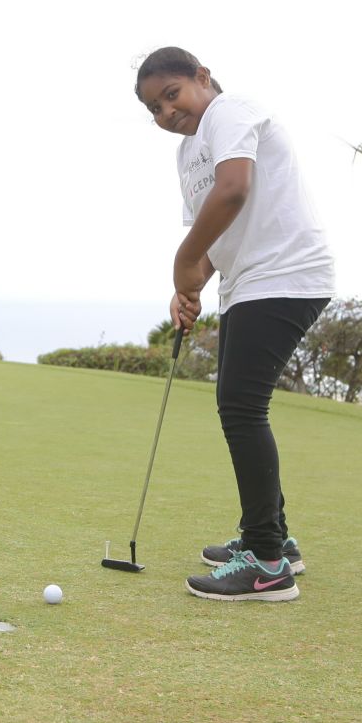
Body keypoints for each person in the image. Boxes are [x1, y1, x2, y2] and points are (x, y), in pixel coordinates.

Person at [134, 47, 334, 602]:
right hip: (247, 282)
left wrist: (182, 259)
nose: (165, 113)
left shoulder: (232, 110)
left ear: (201, 77)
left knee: (241, 407)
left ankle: (268, 563)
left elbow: (235, 190)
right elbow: (212, 239)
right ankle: (274, 540)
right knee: (241, 404)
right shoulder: (187, 151)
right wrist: (186, 285)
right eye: (154, 108)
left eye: (171, 95)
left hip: (285, 274)